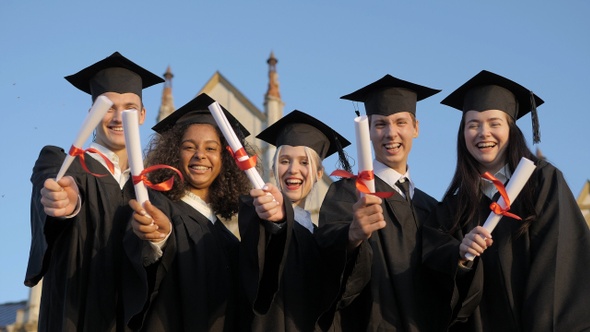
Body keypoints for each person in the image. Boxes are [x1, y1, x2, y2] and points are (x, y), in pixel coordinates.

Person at [421, 70, 590, 331]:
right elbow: (432, 281)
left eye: (494, 123)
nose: (483, 133)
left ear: (511, 129)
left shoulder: (542, 182)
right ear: (462, 134)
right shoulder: (452, 211)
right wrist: (460, 258)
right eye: (473, 124)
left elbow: (560, 266)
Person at [25, 51, 163, 332]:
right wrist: (67, 201)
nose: (117, 117)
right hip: (74, 317)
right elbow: (54, 186)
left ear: (142, 115)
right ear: (92, 114)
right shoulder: (63, 163)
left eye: (129, 108)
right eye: (108, 107)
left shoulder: (154, 188)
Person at [315, 74, 441, 331]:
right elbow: (324, 254)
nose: (391, 133)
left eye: (400, 122)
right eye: (380, 124)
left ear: (415, 127)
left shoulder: (433, 207)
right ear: (368, 132)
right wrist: (351, 236)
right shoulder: (348, 192)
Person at [124, 93, 255, 331]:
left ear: (224, 159)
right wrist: (158, 239)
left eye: (211, 148)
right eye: (189, 147)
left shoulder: (229, 240)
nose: (200, 155)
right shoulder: (157, 204)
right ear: (174, 154)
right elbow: (139, 262)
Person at [239, 110, 352, 331]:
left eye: (304, 162)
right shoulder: (258, 215)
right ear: (273, 169)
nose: (293, 170)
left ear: (319, 173)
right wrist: (278, 220)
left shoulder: (323, 236)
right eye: (284, 161)